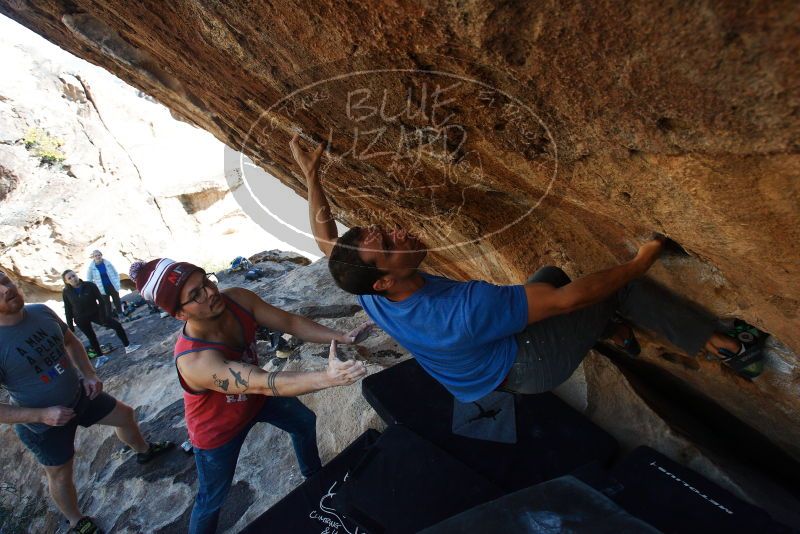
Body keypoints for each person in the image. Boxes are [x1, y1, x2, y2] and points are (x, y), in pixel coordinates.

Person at [289, 134, 752, 402]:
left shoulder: (368, 285)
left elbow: (327, 239)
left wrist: (312, 175)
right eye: (390, 245)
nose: (399, 232)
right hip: (527, 366)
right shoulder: (463, 309)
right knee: (614, 287)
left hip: (478, 371)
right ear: (386, 278)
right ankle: (722, 343)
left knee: (550, 275)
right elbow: (569, 300)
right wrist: (643, 257)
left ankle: (610, 333)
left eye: (384, 231)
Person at [130, 258, 370, 534]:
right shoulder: (194, 359)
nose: (209, 292)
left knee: (303, 421)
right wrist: (327, 378)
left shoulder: (237, 299)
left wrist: (341, 337)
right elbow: (263, 383)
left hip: (256, 400)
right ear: (179, 314)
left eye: (205, 281)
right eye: (195, 295)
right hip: (218, 428)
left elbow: (288, 321)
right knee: (212, 499)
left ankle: (314, 478)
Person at [0, 270, 173, 534]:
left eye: (3, 281)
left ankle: (144, 451)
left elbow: (71, 341)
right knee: (59, 474)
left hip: (80, 396)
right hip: (42, 425)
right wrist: (41, 415)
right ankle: (75, 520)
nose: (5, 290)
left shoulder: (41, 312)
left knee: (125, 416)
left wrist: (89, 374)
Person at [62, 270, 140, 356]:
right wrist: (70, 327)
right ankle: (100, 357)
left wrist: (103, 316)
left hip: (95, 312)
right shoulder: (66, 292)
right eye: (69, 278)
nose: (73, 278)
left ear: (76, 275)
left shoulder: (90, 285)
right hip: (80, 318)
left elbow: (101, 300)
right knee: (91, 337)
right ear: (66, 281)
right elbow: (68, 309)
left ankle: (128, 346)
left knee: (117, 325)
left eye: (73, 275)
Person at [85, 250, 122, 318]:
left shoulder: (107, 263)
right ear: (93, 257)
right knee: (106, 304)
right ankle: (110, 319)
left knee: (117, 300)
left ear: (101, 255)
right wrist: (94, 288)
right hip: (101, 288)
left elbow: (115, 273)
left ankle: (121, 315)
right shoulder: (91, 268)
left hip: (112, 285)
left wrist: (117, 282)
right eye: (95, 255)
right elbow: (89, 280)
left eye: (99, 255)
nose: (98, 257)